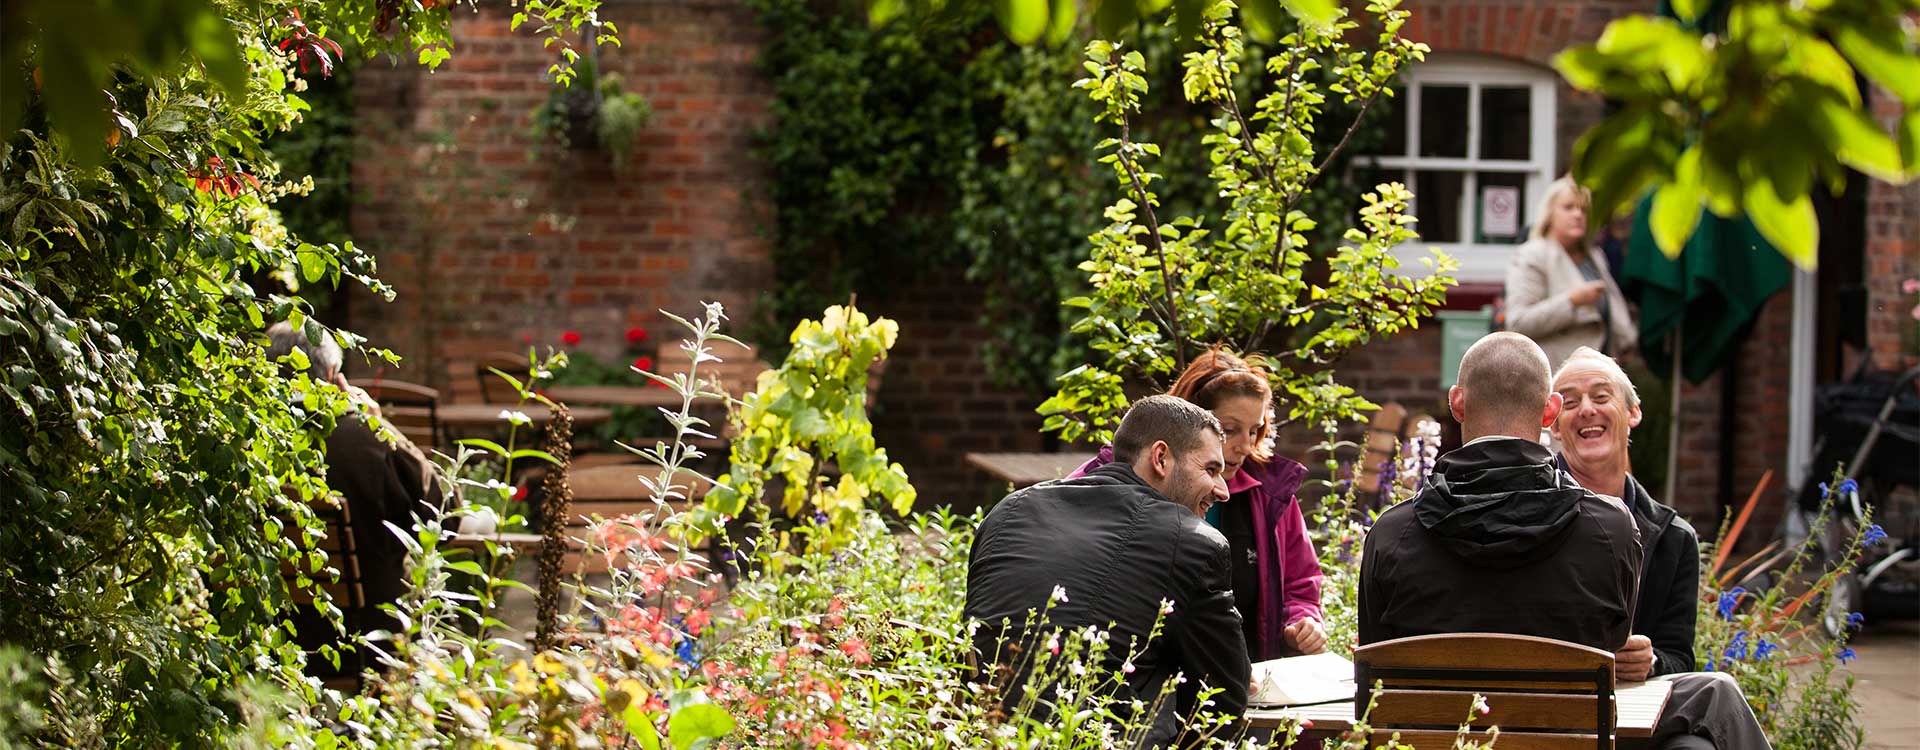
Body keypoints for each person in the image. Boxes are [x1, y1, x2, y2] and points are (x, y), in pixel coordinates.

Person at [1362, 332, 1771, 750]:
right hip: (1567, 740)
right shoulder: (1611, 529)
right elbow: (1612, 645)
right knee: (1716, 695)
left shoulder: (1391, 534)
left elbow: (1376, 663)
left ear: (1457, 403)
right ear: (1550, 412)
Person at [965, 395, 1247, 746]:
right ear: (1160, 458)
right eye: (1210, 470)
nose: (1223, 491)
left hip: (982, 736)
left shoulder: (1010, 509)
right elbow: (1222, 705)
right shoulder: (1194, 542)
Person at [1071, 349, 1325, 660]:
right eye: (1228, 430)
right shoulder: (1108, 476)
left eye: (1255, 430)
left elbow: (1301, 582)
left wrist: (1302, 621)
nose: (1245, 446)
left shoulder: (1271, 494)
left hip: (1246, 686)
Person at [266, 322, 441, 675]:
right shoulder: (365, 440)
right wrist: (379, 427)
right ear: (333, 375)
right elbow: (440, 511)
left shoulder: (248, 440)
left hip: (273, 640)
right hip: (369, 638)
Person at [1552, 346, 1700, 680]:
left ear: (1633, 413)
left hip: (1634, 714)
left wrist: (1651, 663)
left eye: (1601, 397)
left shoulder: (1674, 539)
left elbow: (1679, 657)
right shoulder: (1525, 515)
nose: (1587, 410)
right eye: (1570, 403)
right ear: (1555, 426)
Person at [1503, 176, 1638, 367]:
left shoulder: (1594, 255)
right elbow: (1518, 323)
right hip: (1558, 372)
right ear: (1549, 213)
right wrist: (1571, 301)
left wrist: (1624, 340)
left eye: (1584, 209)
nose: (1578, 214)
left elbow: (1612, 306)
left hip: (1599, 368)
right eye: (1568, 207)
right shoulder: (1532, 255)